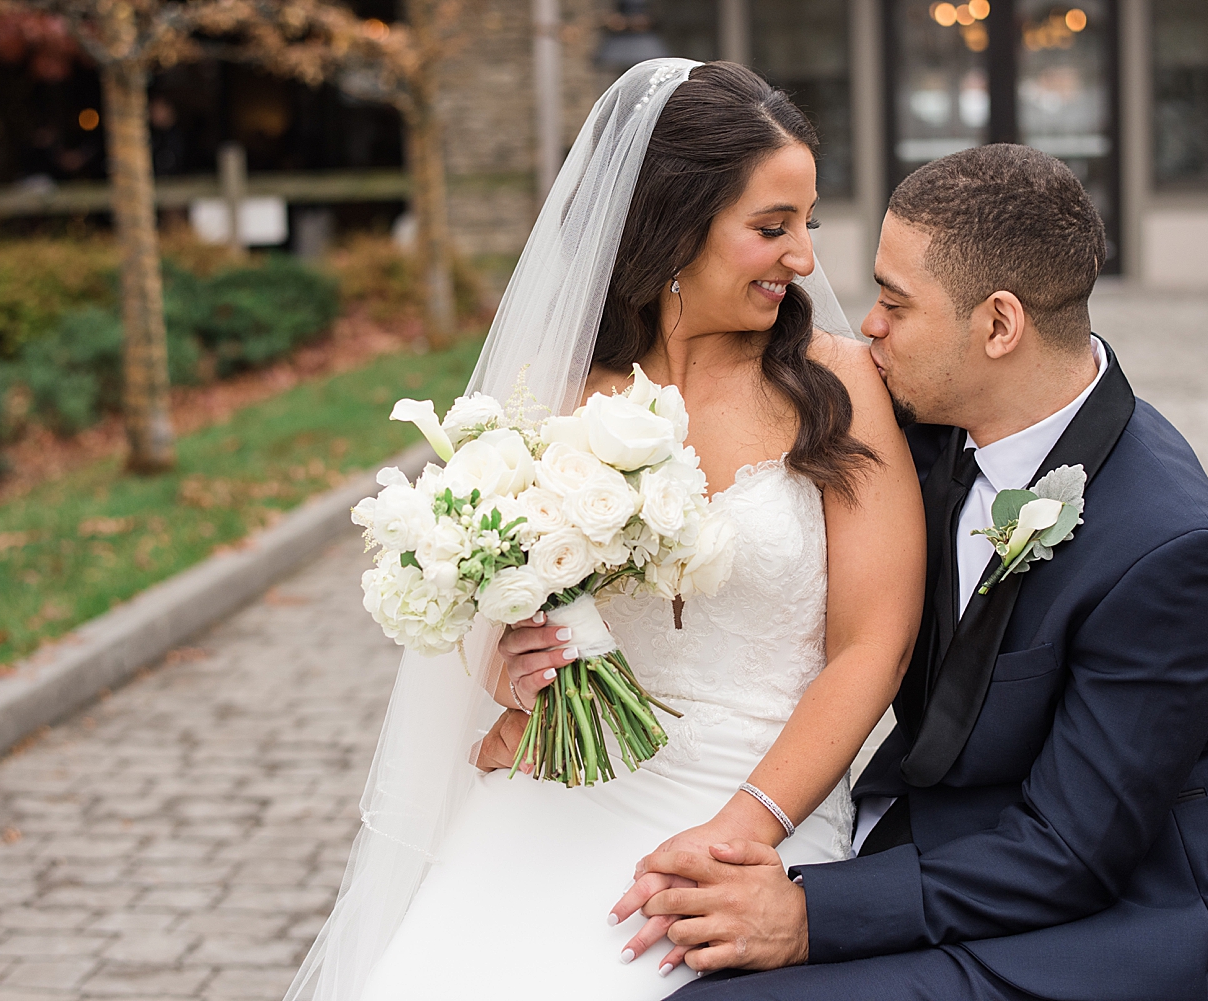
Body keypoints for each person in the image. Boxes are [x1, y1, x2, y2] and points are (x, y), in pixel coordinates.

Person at [284, 59, 926, 1000]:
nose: (803, 260)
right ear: (675, 227)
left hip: (761, 789)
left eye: (808, 224)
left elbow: (876, 641)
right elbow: (490, 601)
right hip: (572, 773)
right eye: (771, 227)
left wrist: (747, 825)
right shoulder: (551, 398)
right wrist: (508, 665)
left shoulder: (836, 384)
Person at [612, 144, 1208, 1001]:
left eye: (894, 301)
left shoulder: (1168, 550)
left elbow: (1071, 853)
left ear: (999, 326)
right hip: (933, 852)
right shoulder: (933, 430)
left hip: (1090, 932)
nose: (868, 326)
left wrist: (808, 915)